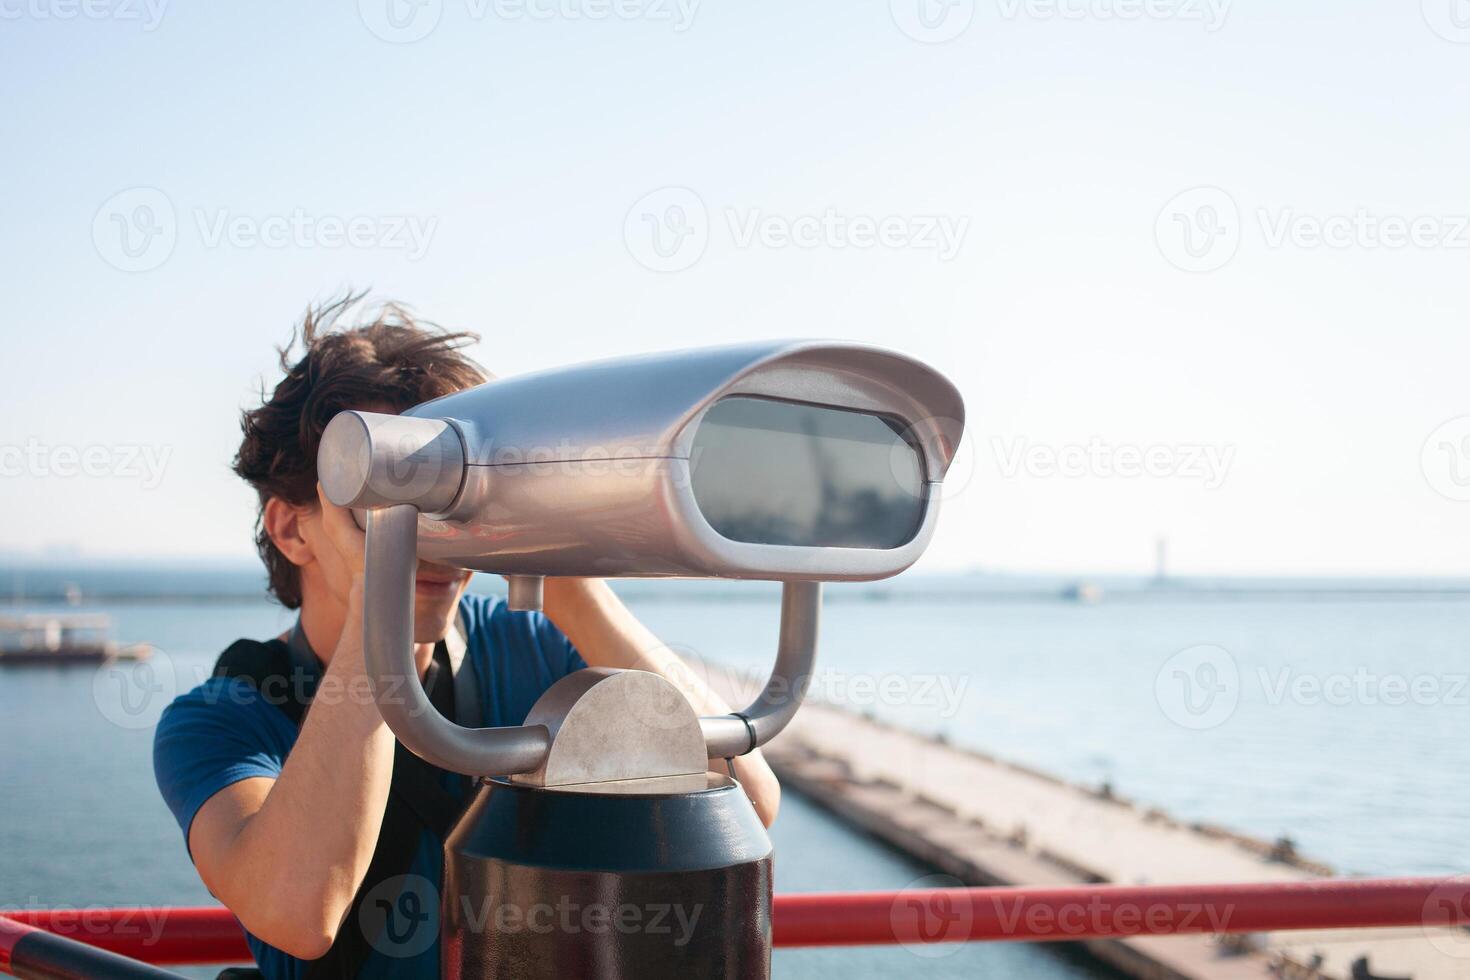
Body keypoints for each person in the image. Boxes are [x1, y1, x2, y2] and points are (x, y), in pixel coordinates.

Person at [152, 297, 779, 979]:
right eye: (383, 493)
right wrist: (377, 594)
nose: (430, 533)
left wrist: (562, 566)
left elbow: (746, 801)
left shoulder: (534, 646)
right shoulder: (222, 720)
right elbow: (299, 913)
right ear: (293, 528)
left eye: (448, 491)